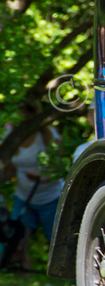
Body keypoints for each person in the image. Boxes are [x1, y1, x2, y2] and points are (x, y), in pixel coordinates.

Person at [5, 102, 65, 270]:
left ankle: (58, 275)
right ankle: (23, 274)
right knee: (17, 241)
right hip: (24, 197)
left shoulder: (49, 135)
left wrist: (42, 177)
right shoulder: (10, 135)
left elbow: (58, 169)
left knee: (54, 241)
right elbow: (9, 168)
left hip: (51, 197)